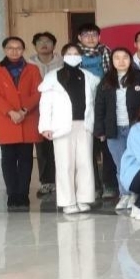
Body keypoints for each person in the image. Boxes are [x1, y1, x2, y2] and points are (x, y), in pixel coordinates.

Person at [38, 43, 100, 214]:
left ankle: (84, 198)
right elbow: (45, 104)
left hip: (84, 125)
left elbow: (94, 101)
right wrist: (45, 126)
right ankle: (67, 201)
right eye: (69, 53)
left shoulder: (88, 76)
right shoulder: (52, 76)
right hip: (61, 126)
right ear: (63, 56)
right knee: (64, 164)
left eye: (76, 53)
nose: (73, 56)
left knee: (85, 163)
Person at [94, 47, 140, 210]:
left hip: (136, 129)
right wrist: (100, 130)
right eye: (117, 58)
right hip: (114, 130)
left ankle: (136, 194)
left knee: (137, 162)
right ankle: (124, 194)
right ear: (112, 61)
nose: (121, 61)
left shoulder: (139, 77)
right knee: (120, 164)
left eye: (125, 57)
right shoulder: (106, 80)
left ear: (130, 60)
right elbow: (99, 106)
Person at [0, 37, 42, 210]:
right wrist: (11, 112)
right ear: (4, 49)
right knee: (8, 160)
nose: (14, 51)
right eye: (10, 48)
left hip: (27, 118)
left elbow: (38, 92)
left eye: (18, 48)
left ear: (23, 50)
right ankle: (12, 195)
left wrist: (23, 110)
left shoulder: (32, 69)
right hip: (6, 120)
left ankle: (23, 194)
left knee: (26, 159)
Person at [77, 23, 117, 198]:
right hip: (83, 106)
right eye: (86, 35)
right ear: (80, 38)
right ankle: (93, 185)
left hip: (105, 104)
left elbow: (113, 76)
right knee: (87, 150)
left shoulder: (107, 52)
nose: (91, 38)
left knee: (108, 148)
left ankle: (109, 185)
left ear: (99, 37)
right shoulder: (74, 54)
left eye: (94, 35)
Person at [28, 31, 63, 197]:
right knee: (42, 148)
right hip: (36, 111)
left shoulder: (63, 62)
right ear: (35, 46)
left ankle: (63, 181)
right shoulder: (28, 65)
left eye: (48, 41)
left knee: (61, 147)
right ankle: (47, 182)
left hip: (60, 110)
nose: (44, 44)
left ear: (54, 45)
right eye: (40, 41)